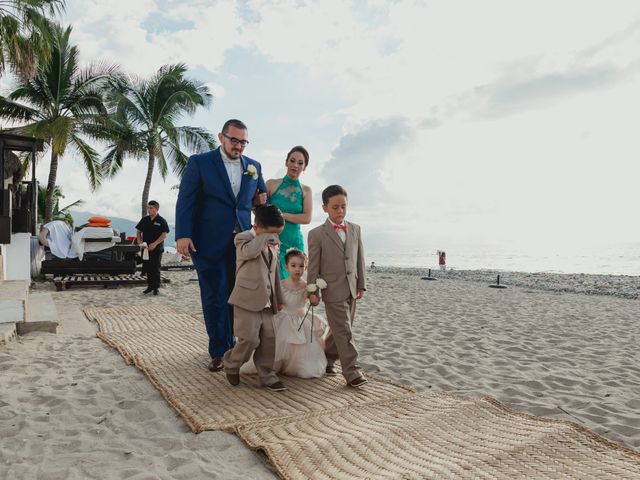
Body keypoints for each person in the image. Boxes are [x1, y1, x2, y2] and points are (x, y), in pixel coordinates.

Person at [175, 119, 267, 373]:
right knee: (215, 294)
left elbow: (258, 203)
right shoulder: (200, 162)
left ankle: (233, 346)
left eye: (243, 142)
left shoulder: (254, 167)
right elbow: (186, 200)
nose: (238, 146)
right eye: (234, 140)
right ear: (221, 137)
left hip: (242, 245)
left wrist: (261, 202)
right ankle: (218, 351)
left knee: (235, 297)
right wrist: (183, 234)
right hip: (207, 241)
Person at [307, 185, 367, 388]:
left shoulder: (355, 229)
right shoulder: (317, 234)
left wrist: (361, 284)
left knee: (339, 329)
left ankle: (328, 359)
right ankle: (352, 371)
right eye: (335, 207)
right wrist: (313, 291)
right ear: (325, 208)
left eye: (343, 206)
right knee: (344, 331)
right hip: (331, 289)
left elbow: (359, 258)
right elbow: (313, 265)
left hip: (352, 288)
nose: (340, 211)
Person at [223, 204, 286, 391]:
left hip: (268, 300)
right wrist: (264, 237)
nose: (275, 238)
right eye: (271, 234)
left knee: (269, 340)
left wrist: (279, 298)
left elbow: (274, 272)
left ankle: (267, 374)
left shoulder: (273, 243)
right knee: (249, 339)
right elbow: (248, 253)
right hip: (246, 299)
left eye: (277, 234)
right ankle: (232, 363)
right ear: (257, 227)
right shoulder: (242, 239)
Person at [240, 248, 327, 378]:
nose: (297, 269)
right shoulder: (281, 285)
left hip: (300, 319)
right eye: (293, 265)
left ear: (306, 267)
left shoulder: (307, 286)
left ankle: (294, 365)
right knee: (279, 342)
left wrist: (314, 298)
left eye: (301, 266)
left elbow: (314, 302)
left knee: (302, 354)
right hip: (283, 318)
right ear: (286, 267)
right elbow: (274, 301)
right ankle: (276, 364)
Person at [265, 146, 312, 279]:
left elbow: (307, 218)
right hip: (272, 240)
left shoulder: (306, 190)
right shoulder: (271, 184)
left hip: (294, 243)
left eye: (300, 163)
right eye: (292, 160)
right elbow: (260, 211)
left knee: (292, 285)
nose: (295, 165)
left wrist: (281, 215)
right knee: (273, 283)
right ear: (286, 162)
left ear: (305, 168)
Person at [136, 201, 169, 295]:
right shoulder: (145, 220)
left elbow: (164, 234)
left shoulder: (161, 220)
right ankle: (150, 286)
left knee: (155, 267)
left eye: (151, 208)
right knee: (147, 267)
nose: (149, 210)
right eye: (148, 208)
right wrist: (139, 242)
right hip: (146, 248)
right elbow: (138, 231)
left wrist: (155, 244)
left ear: (156, 209)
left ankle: (156, 287)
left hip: (157, 248)